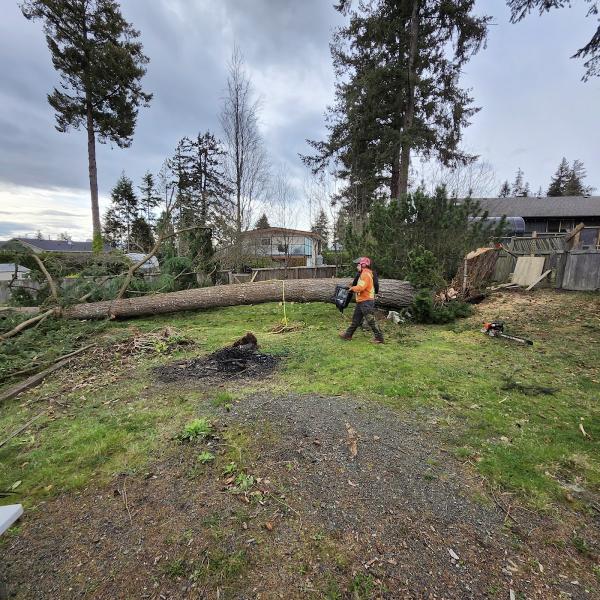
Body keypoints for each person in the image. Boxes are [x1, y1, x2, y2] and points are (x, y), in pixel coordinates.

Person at [339, 256, 384, 344]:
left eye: (358, 265)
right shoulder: (364, 273)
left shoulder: (365, 274)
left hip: (366, 301)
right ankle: (348, 335)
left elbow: (361, 287)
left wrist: (352, 288)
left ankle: (379, 338)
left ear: (363, 265)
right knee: (356, 319)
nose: (357, 266)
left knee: (370, 320)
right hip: (362, 300)